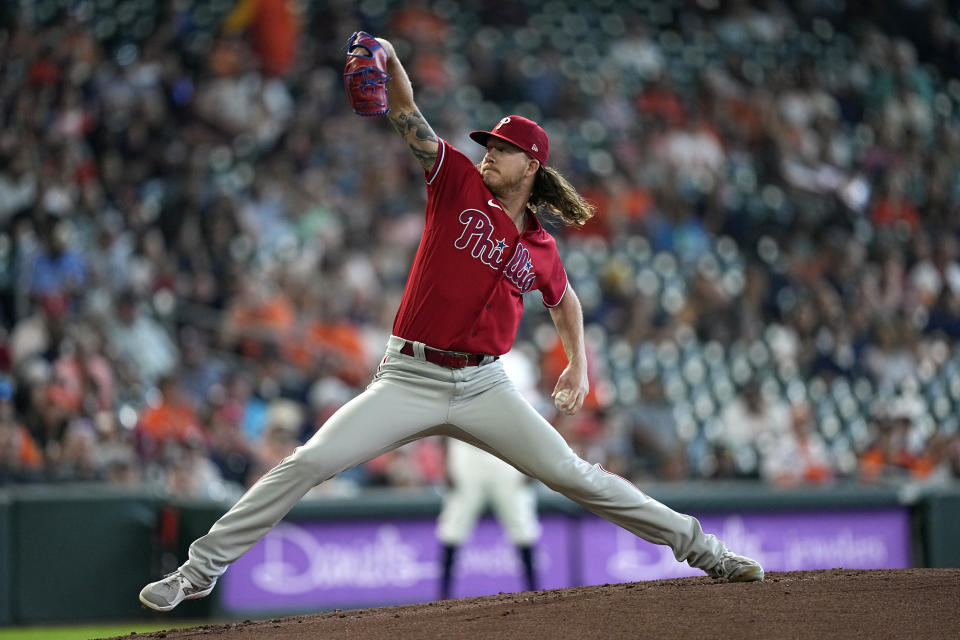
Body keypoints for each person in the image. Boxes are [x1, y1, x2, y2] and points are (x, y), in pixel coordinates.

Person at [139, 33, 763, 613]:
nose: (488, 153)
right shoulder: (455, 182)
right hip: (407, 376)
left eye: (502, 149)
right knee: (307, 462)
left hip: (485, 386)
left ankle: (705, 552)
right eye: (488, 145)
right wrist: (386, 54)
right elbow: (407, 112)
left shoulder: (542, 249)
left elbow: (565, 301)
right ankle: (195, 573)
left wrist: (577, 362)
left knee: (578, 476)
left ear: (532, 166)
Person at [436, 350, 543, 600]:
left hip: (507, 452)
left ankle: (536, 595)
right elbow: (444, 411)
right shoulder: (457, 356)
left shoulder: (518, 362)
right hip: (467, 451)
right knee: (454, 524)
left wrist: (531, 461)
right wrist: (446, 461)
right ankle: (442, 600)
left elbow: (529, 415)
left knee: (522, 523)